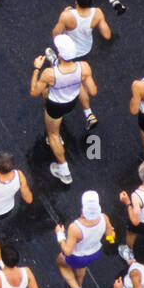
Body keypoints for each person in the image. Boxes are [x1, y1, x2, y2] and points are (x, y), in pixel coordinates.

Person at [30, 35, 97, 185]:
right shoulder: (84, 68)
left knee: (53, 135)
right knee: (54, 89)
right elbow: (92, 91)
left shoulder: (49, 74)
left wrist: (36, 68)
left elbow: (33, 91)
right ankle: (87, 115)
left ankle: (64, 171)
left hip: (55, 106)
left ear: (60, 55)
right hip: (71, 102)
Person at [52, 0, 112, 124]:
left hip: (69, 53)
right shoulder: (97, 13)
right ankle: (88, 113)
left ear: (76, 1)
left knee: (75, 81)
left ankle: (82, 109)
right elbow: (107, 35)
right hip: (85, 51)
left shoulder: (67, 16)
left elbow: (55, 35)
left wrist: (63, 15)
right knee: (80, 79)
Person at [55, 189, 114, 288]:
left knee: (61, 263)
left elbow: (67, 251)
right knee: (81, 269)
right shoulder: (104, 217)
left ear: (83, 208)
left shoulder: (75, 227)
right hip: (94, 253)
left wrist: (60, 235)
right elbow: (110, 234)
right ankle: (77, 286)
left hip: (77, 256)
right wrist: (109, 239)